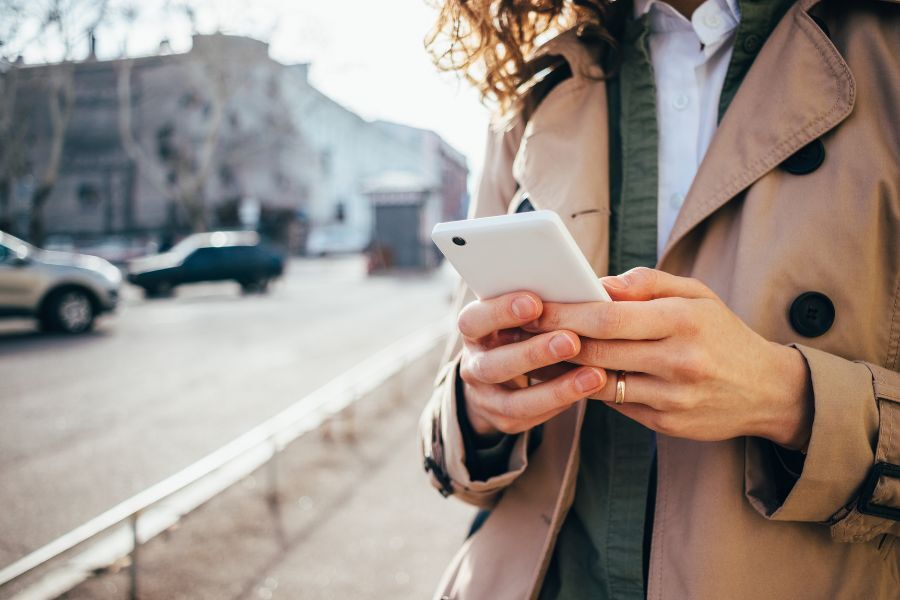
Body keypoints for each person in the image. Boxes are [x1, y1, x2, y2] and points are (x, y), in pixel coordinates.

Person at [418, 0, 900, 598]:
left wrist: (789, 399)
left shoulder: (886, 52)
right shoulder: (538, 84)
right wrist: (481, 408)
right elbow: (451, 414)